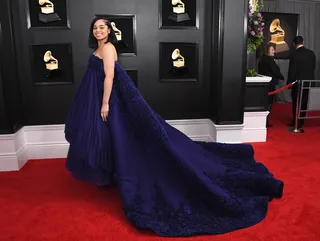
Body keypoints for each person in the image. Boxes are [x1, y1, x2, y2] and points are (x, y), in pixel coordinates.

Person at [64, 16, 284, 237]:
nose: (98, 30)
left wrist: (104, 103)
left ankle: (121, 172)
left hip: (111, 100)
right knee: (112, 136)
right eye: (95, 27)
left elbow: (109, 76)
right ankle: (111, 171)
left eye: (102, 27)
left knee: (128, 137)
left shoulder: (109, 48)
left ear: (109, 31)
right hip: (100, 98)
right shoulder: (99, 48)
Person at [287, 36, 316, 128]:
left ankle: (296, 121)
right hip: (308, 82)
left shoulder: (294, 54)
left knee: (296, 101)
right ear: (303, 42)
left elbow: (292, 70)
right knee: (304, 101)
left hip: (297, 82)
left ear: (294, 44)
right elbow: (313, 67)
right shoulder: (311, 53)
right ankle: (301, 120)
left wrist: (289, 83)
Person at [258, 44, 284, 127]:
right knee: (268, 103)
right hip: (270, 84)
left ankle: (262, 120)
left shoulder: (261, 59)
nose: (274, 51)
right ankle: (265, 121)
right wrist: (281, 76)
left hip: (263, 84)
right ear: (267, 51)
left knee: (264, 102)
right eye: (272, 50)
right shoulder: (270, 60)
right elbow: (276, 71)